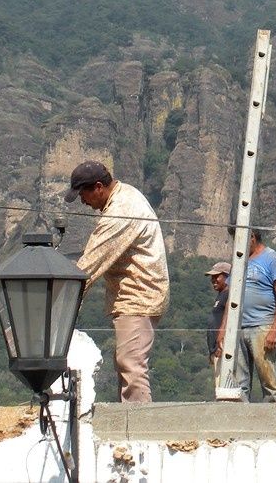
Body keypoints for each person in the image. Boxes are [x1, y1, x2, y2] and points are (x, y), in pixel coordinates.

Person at [66, 160, 169, 402]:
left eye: (83, 194)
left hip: (139, 295)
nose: (82, 201)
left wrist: (64, 303)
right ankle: (128, 418)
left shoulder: (121, 210)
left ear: (98, 187)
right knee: (125, 362)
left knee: (131, 364)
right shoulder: (126, 194)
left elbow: (91, 263)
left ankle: (138, 421)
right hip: (138, 295)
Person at [215, 228, 276, 402]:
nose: (236, 244)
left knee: (269, 380)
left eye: (239, 239)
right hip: (238, 328)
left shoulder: (273, 259)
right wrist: (223, 329)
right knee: (238, 382)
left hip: (262, 326)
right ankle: (242, 415)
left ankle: (274, 414)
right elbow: (231, 298)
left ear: (252, 237)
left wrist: (274, 331)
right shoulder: (239, 262)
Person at [205, 260, 230, 369]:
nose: (213, 280)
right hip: (216, 350)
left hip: (222, 349)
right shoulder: (221, 295)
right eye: (212, 277)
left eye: (217, 276)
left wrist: (221, 345)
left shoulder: (229, 295)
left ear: (227, 277)